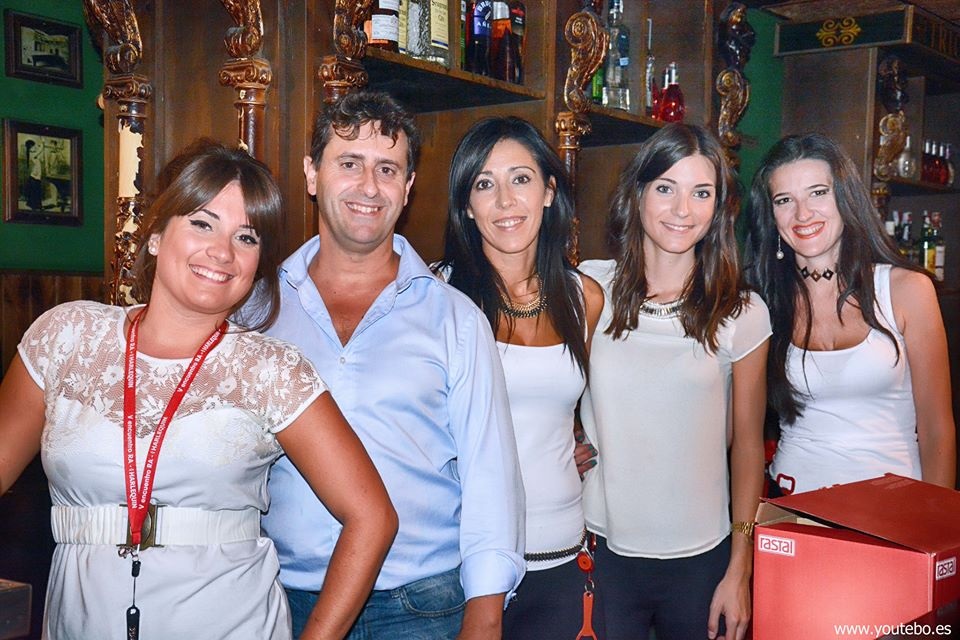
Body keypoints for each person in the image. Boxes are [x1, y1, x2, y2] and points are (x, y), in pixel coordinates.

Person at [0, 140, 397, 640]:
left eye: (246, 237)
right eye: (203, 224)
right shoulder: (66, 337)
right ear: (155, 234)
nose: (222, 252)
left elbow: (371, 517)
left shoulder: (270, 370)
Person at [256, 91, 525, 639]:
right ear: (312, 174)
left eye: (387, 169)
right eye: (349, 163)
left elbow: (490, 477)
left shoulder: (455, 319)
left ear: (407, 187)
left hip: (421, 605)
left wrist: (486, 612)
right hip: (280, 598)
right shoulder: (258, 311)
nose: (369, 186)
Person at [578, 123, 770, 640]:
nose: (683, 209)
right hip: (602, 550)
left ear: (719, 207)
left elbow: (748, 446)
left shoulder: (743, 312)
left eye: (701, 193)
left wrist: (740, 568)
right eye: (666, 187)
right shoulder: (590, 288)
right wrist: (566, 438)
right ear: (637, 193)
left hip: (703, 561)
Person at [436, 116, 604, 639]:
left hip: (562, 549)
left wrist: (580, 437)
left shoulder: (584, 297)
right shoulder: (438, 297)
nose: (506, 201)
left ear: (549, 192)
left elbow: (566, 407)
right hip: (462, 563)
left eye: (521, 179)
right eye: (485, 184)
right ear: (467, 205)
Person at [745, 132, 956, 495]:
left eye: (818, 192)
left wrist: (932, 519)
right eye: (784, 200)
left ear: (845, 198)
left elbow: (937, 429)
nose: (803, 213)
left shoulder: (906, 290)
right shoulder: (762, 301)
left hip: (893, 508)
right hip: (791, 504)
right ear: (771, 215)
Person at [23, 138, 44, 210]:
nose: (35, 147)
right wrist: (42, 143)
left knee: (36, 192)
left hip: (35, 177)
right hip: (34, 177)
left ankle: (35, 206)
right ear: (30, 147)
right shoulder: (32, 154)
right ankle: (36, 207)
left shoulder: (33, 154)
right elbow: (40, 150)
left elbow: (39, 153)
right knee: (36, 193)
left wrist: (39, 145)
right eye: (34, 146)